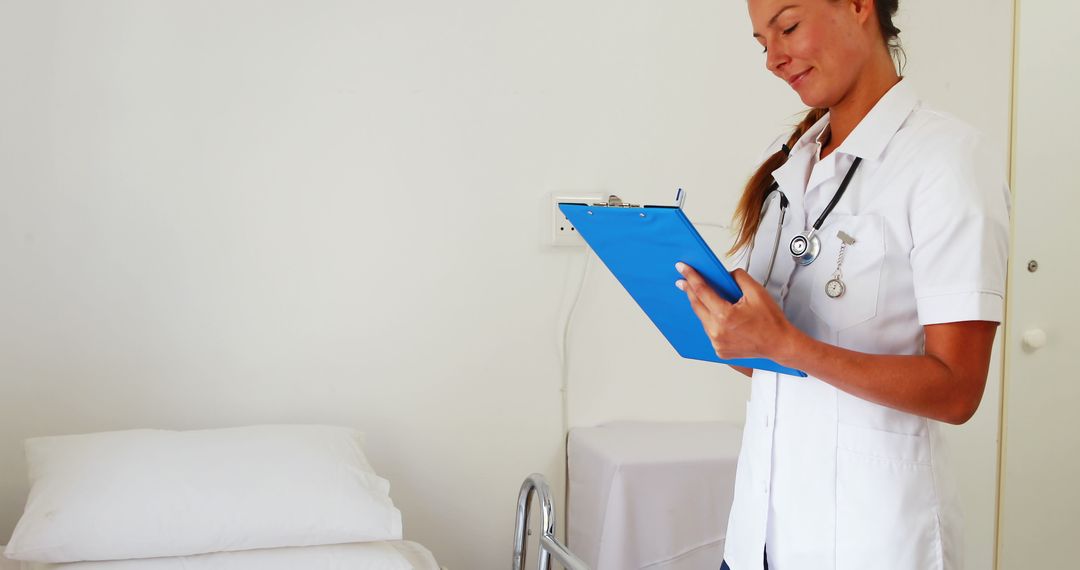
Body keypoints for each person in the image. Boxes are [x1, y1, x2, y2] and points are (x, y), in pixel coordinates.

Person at [672, 1, 1010, 569]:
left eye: (789, 27)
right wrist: (723, 326)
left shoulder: (945, 160)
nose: (773, 58)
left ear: (858, 7)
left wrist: (786, 345)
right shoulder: (784, 165)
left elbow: (957, 391)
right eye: (762, 42)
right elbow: (762, 359)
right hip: (759, 534)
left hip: (866, 540)